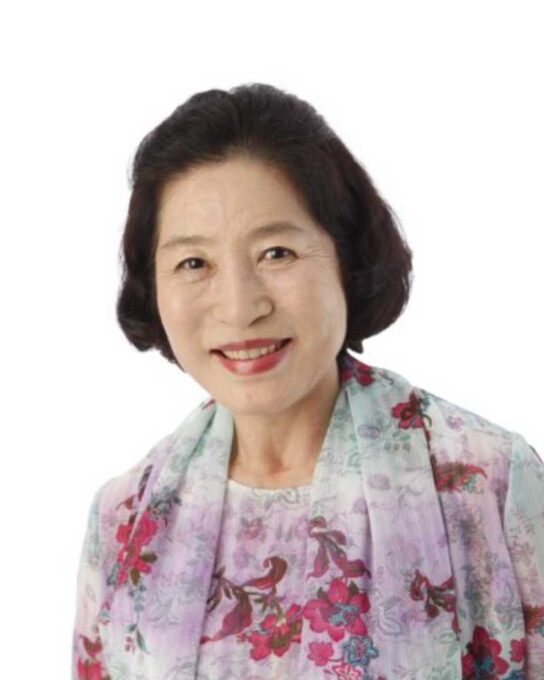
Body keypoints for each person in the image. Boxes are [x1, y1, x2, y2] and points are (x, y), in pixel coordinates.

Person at [71, 83, 544, 680]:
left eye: (276, 253)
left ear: (346, 258)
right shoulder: (123, 517)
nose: (239, 308)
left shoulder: (485, 482)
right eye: (194, 263)